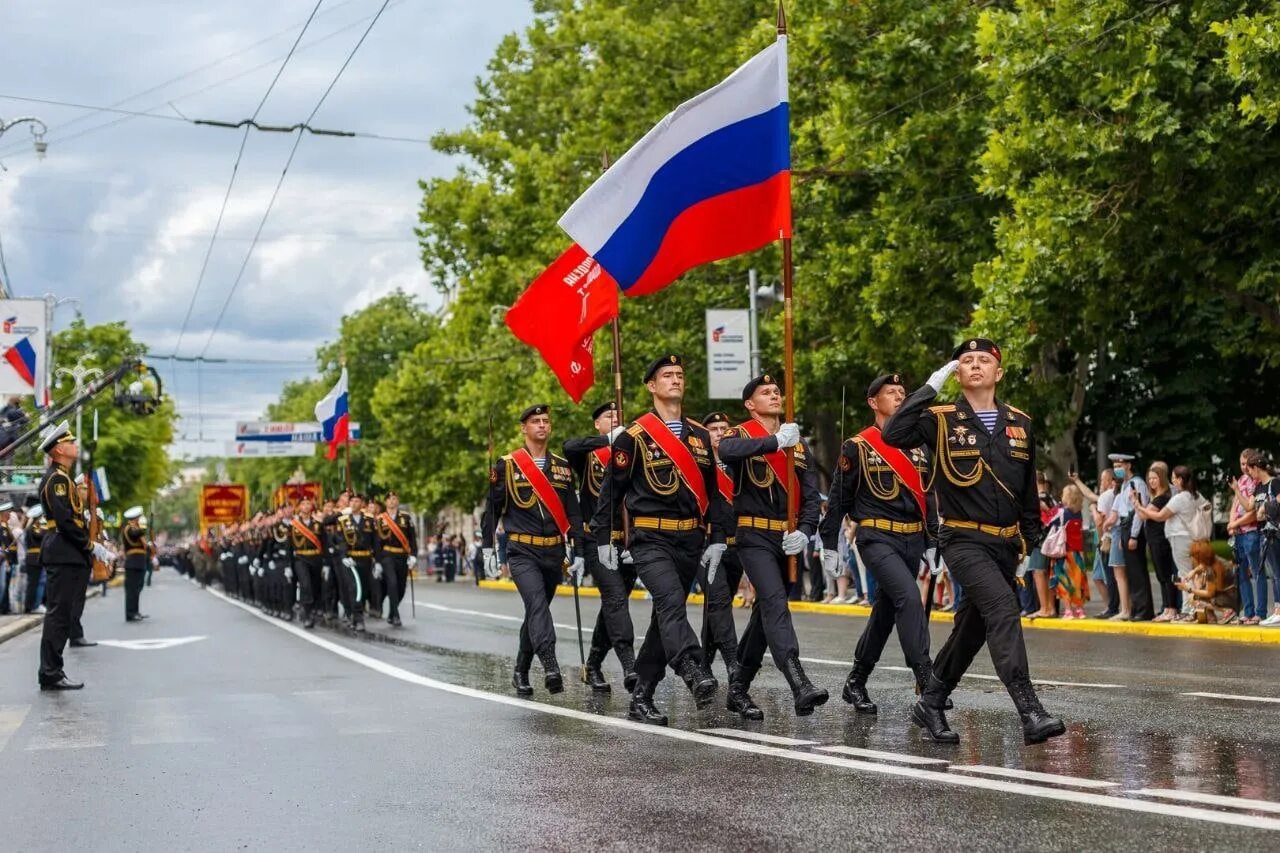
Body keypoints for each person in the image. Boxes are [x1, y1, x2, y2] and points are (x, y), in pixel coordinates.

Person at [883, 338, 1064, 745]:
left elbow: (1027, 486)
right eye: (966, 361)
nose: (976, 365)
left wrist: (1031, 537)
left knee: (972, 628)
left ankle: (931, 702)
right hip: (963, 539)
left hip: (1005, 544)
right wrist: (928, 388)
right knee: (1003, 609)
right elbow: (893, 434)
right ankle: (1030, 709)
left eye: (985, 360)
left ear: (998, 373)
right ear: (958, 373)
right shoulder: (939, 418)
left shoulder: (1020, 422)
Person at [592, 355, 732, 725]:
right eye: (667, 375)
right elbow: (611, 490)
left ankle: (641, 696)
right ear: (652, 386)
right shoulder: (633, 437)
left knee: (662, 621)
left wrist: (717, 536)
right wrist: (605, 538)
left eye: (680, 375)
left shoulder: (700, 436)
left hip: (690, 539)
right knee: (670, 602)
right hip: (649, 538)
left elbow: (714, 493)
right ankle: (693, 668)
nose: (675, 380)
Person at [820, 373, 935, 716]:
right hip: (876, 537)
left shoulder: (918, 446)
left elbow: (928, 497)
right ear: (873, 402)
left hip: (913, 538)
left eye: (903, 392)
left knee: (886, 612)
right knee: (909, 598)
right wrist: (831, 544)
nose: (900, 396)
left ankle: (856, 680)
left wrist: (933, 541)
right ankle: (928, 683)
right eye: (891, 392)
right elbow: (839, 498)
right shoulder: (858, 446)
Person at [718, 375, 826, 720]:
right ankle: (799, 683)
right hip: (754, 536)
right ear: (750, 404)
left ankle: (737, 687)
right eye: (765, 392)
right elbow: (727, 451)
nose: (774, 394)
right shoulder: (741, 435)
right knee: (776, 604)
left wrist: (806, 530)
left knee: (765, 617)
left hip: (788, 539)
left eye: (777, 391)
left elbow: (810, 495)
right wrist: (774, 442)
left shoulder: (797, 442)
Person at [482, 404, 585, 696]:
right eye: (535, 421)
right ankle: (550, 664)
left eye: (545, 421)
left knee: (535, 613)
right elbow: (491, 509)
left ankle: (520, 670)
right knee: (537, 605)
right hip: (522, 551)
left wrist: (578, 549)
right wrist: (488, 548)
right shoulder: (507, 465)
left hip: (553, 553)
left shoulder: (562, 467)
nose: (542, 425)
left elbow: (573, 512)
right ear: (523, 428)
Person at [36, 421, 114, 690]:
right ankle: (50, 672)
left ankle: (53, 670)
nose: (75, 445)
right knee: (59, 613)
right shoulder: (57, 480)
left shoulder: (64, 477)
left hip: (69, 551)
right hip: (63, 550)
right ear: (58, 450)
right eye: (70, 442)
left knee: (64, 612)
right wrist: (90, 545)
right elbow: (66, 521)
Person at [564, 400, 636, 691]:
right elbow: (570, 446)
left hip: (627, 541)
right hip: (597, 540)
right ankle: (630, 665)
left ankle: (592, 665)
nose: (615, 418)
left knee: (613, 606)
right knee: (616, 598)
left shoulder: (630, 451)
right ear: (598, 424)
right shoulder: (590, 453)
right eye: (609, 416)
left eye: (618, 415)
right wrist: (608, 439)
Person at [697, 411, 744, 684]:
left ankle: (703, 665)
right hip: (707, 546)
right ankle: (733, 663)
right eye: (712, 428)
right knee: (719, 602)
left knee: (714, 610)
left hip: (736, 547)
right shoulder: (699, 465)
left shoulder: (738, 465)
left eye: (723, 428)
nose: (718, 432)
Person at [1108, 453, 1154, 621]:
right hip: (1125, 527)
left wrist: (1133, 535)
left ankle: (1144, 609)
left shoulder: (1137, 483)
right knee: (1131, 572)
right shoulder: (1125, 485)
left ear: (1128, 465)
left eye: (1119, 466)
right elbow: (1121, 512)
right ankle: (1136, 608)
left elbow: (1138, 512)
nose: (1117, 469)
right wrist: (1123, 537)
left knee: (1138, 571)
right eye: (1114, 466)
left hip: (1134, 528)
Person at [1137, 466, 1179, 621]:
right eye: (1150, 478)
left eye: (1155, 478)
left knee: (1165, 574)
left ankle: (1171, 608)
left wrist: (1138, 504)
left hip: (1161, 539)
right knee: (1161, 575)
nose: (1151, 481)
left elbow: (1144, 515)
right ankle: (1167, 607)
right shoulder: (1156, 496)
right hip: (1154, 539)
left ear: (1161, 478)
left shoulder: (1162, 497)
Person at [1243, 452, 1280, 625]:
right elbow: (1255, 514)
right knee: (1274, 573)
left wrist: (1264, 507)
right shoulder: (1259, 487)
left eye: (1250, 470)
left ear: (1256, 468)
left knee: (1278, 573)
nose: (1249, 473)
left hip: (1275, 532)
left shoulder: (1275, 483)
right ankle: (1277, 609)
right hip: (1265, 533)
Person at [1227, 450, 1263, 624]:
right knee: (1241, 574)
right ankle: (1248, 612)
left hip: (1251, 532)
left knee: (1257, 572)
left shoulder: (1256, 480)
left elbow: (1252, 512)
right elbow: (1235, 503)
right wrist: (1231, 522)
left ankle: (1260, 612)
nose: (1245, 467)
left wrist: (1236, 523)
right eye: (1242, 464)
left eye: (1248, 463)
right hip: (1239, 534)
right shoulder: (1241, 480)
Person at [374, 491, 416, 627]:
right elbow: (377, 542)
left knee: (401, 587)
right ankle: (396, 615)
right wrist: (378, 561)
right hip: (387, 556)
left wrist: (413, 555)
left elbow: (412, 538)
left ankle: (392, 612)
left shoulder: (406, 518)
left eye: (394, 499)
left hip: (402, 555)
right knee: (392, 583)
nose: (392, 501)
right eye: (389, 499)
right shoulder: (380, 519)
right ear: (386, 502)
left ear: (397, 501)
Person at [1046, 484, 1089, 619]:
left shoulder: (1062, 512)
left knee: (1063, 581)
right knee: (1077, 580)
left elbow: (1049, 522)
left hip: (1062, 552)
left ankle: (1068, 610)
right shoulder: (1079, 513)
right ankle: (1080, 610)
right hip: (1076, 552)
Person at [337, 496, 376, 631]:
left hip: (365, 558)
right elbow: (341, 540)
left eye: (357, 501)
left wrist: (377, 560)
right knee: (354, 588)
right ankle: (359, 618)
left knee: (364, 589)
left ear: (362, 504)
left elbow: (375, 541)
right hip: (350, 560)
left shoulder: (369, 520)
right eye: (352, 501)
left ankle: (355, 615)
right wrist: (344, 556)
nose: (354, 503)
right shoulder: (343, 520)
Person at [288, 496, 327, 629]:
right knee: (305, 586)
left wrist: (325, 563)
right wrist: (288, 565)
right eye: (303, 504)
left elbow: (324, 543)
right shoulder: (293, 525)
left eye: (308, 503)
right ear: (299, 507)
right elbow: (289, 546)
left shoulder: (318, 524)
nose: (305, 506)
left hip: (316, 559)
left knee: (316, 587)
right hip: (301, 559)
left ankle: (313, 610)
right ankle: (307, 615)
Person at [1177, 541, 1237, 624]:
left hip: (1229, 599)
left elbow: (1209, 593)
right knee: (1198, 578)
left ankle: (1227, 611)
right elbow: (1202, 566)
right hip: (1233, 595)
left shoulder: (1211, 570)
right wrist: (1194, 571)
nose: (1191, 558)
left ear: (1199, 557)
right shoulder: (1216, 560)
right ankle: (1210, 617)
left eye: (1192, 556)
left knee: (1193, 597)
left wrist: (1188, 589)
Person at [121, 506, 151, 622]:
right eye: (139, 518)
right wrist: (142, 527)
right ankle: (130, 613)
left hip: (139, 562)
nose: (140, 520)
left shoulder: (136, 529)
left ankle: (135, 611)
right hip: (132, 562)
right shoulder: (129, 528)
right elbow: (135, 534)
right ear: (134, 519)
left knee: (137, 589)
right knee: (131, 590)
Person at [22, 505, 45, 613]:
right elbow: (41, 535)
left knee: (35, 583)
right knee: (34, 583)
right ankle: (31, 606)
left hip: (35, 558)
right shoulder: (34, 528)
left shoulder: (33, 527)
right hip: (34, 559)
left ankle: (31, 605)